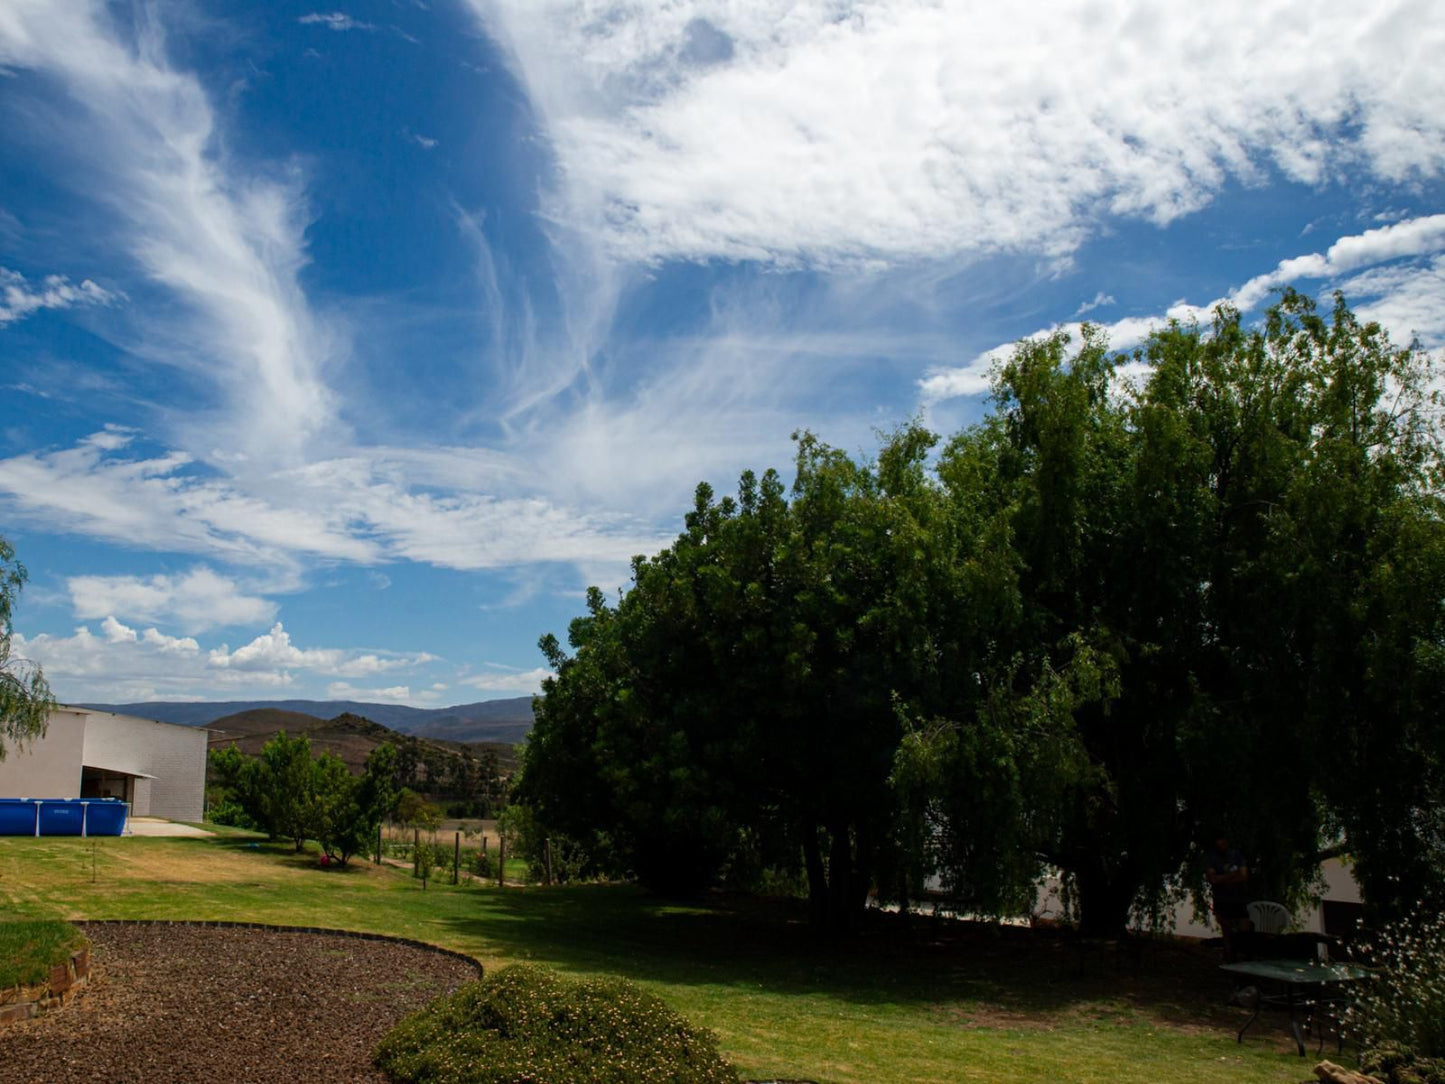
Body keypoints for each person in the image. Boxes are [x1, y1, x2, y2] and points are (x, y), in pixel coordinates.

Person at [1205, 836, 1250, 961]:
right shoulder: (1212, 858)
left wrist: (1221, 878)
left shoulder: (1237, 855)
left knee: (1244, 929)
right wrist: (1232, 875)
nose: (1222, 844)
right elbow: (1212, 879)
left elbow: (1243, 876)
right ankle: (1229, 958)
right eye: (1219, 841)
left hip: (1238, 898)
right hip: (1222, 899)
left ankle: (1244, 957)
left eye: (1224, 841)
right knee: (1226, 931)